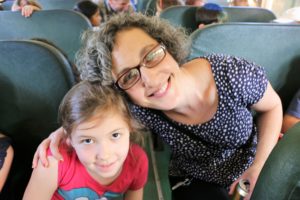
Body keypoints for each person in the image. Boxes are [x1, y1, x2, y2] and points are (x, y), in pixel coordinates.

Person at [32, 13, 282, 200]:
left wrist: (259, 165)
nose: (150, 80)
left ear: (168, 46)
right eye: (129, 76)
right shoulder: (139, 107)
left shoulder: (233, 74)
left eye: (151, 55)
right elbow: (98, 116)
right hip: (194, 178)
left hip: (257, 162)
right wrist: (65, 132)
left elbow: (272, 108)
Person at [24, 81, 148, 199]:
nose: (104, 155)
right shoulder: (53, 163)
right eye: (88, 141)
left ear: (130, 128)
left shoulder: (137, 162)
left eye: (115, 135)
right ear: (69, 140)